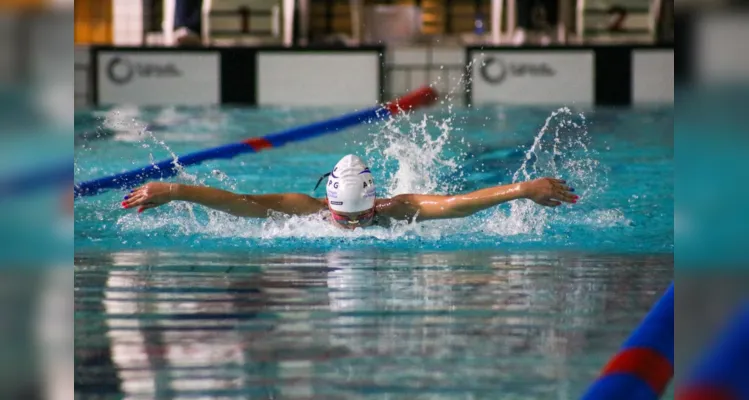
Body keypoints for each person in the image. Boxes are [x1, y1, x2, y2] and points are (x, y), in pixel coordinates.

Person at [121, 155, 578, 229]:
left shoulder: (396, 210)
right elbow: (240, 204)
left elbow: (455, 205)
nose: (356, 227)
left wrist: (523, 188)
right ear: (330, 207)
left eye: (361, 218)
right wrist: (177, 189)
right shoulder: (308, 211)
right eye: (346, 219)